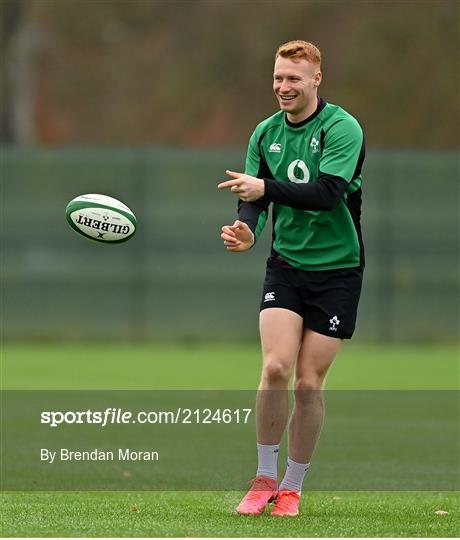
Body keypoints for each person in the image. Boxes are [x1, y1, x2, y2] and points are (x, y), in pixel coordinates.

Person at [218, 40, 365, 517]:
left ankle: (292, 486)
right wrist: (247, 229)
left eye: (294, 78)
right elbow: (255, 197)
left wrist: (263, 187)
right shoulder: (264, 132)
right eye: (279, 77)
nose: (284, 86)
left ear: (316, 79)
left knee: (307, 383)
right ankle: (262, 479)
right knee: (276, 368)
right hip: (286, 265)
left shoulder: (342, 128)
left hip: (338, 271)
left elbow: (326, 194)